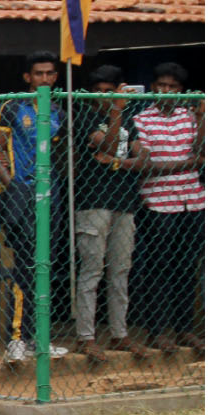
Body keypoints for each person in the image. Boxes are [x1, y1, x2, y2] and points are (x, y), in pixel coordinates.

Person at [0, 58, 72, 364]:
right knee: (24, 265)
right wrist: (14, 186)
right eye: (38, 73)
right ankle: (16, 339)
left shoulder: (58, 111)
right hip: (22, 195)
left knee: (45, 266)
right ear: (27, 76)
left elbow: (59, 152)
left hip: (51, 196)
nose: (45, 78)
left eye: (50, 73)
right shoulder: (11, 107)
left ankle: (40, 337)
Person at [129, 59, 203, 360]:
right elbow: (146, 164)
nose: (165, 90)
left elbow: (202, 153)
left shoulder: (191, 116)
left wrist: (204, 123)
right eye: (161, 85)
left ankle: (185, 328)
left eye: (172, 87)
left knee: (187, 267)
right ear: (153, 88)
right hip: (158, 203)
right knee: (159, 266)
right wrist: (187, 165)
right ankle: (158, 330)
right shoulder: (142, 119)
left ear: (180, 90)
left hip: (193, 200)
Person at [73, 55, 141, 363]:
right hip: (93, 202)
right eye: (100, 90)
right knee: (92, 270)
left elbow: (142, 158)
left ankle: (119, 333)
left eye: (111, 90)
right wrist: (114, 112)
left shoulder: (130, 117)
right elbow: (110, 145)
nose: (105, 96)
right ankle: (86, 336)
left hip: (124, 202)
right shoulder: (84, 116)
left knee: (120, 271)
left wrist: (117, 162)